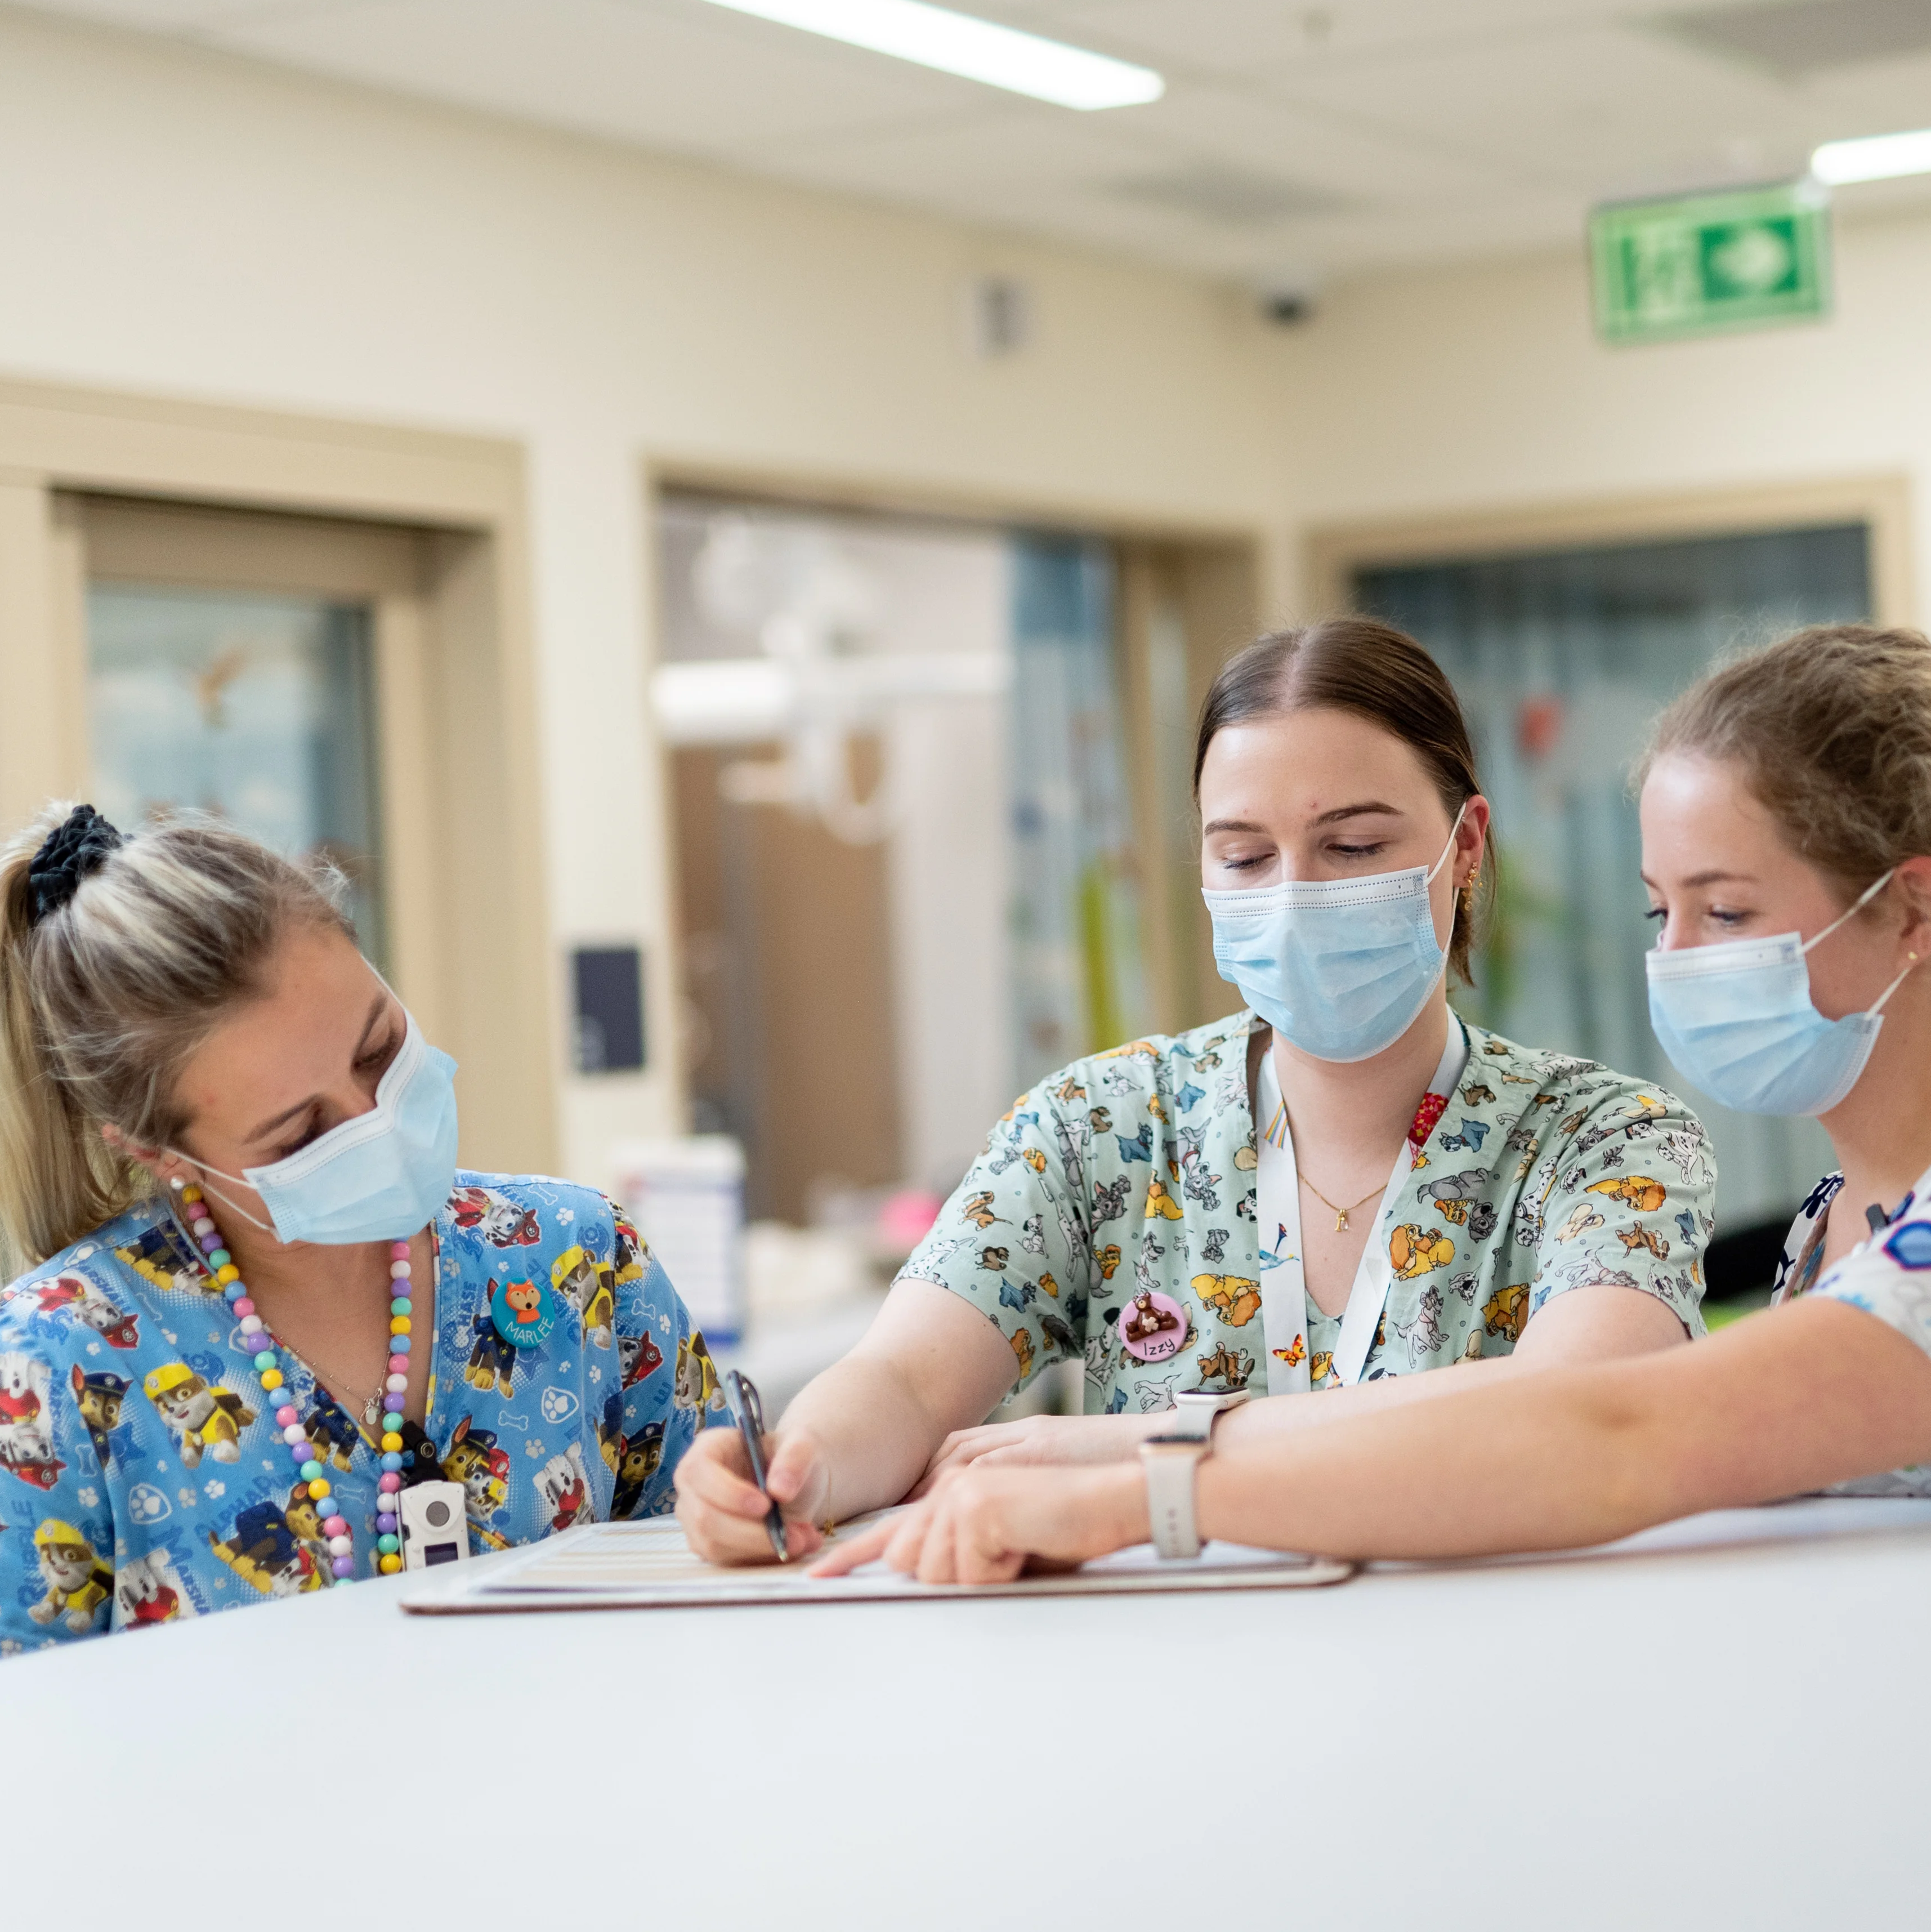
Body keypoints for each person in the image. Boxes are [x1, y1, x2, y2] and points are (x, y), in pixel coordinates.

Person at [839, 624, 1931, 1583]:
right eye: (1660, 909)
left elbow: (1613, 1429)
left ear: (1913, 912)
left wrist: (1136, 1482)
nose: (1674, 962)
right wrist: (1115, 1444)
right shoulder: (1858, 1220)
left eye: (1726, 910)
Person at [677, 619, 1715, 1563]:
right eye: (1246, 855)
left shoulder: (1606, 1144)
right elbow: (903, 1383)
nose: (1297, 895)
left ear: (1468, 848)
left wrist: (1138, 1449)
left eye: (1354, 847)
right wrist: (794, 1465)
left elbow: (1577, 1409)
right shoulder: (1099, 1132)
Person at [0, 804, 717, 1665]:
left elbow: (723, 1582)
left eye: (378, 1049)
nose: (374, 1119)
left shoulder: (576, 1261)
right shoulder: (48, 1368)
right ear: (155, 1150)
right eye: (300, 1135)